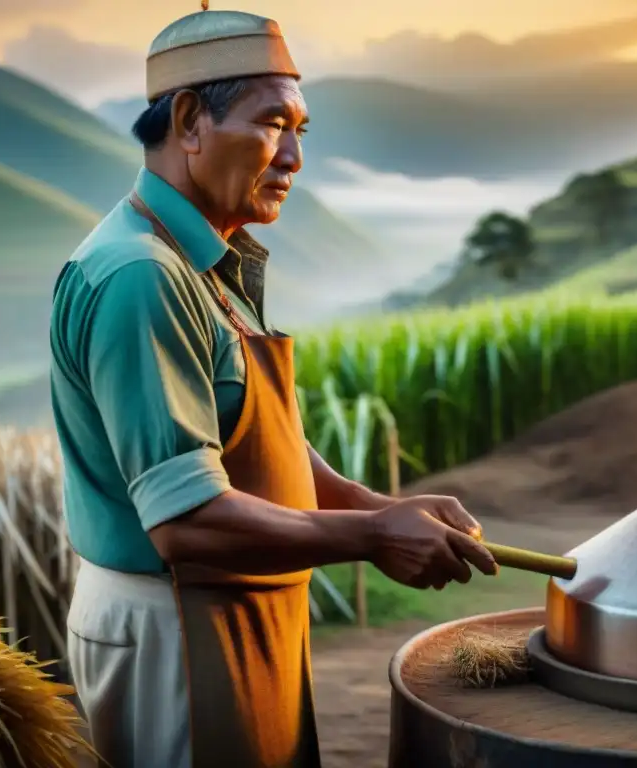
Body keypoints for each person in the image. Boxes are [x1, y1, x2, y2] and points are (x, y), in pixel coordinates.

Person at [48, 9, 498, 768]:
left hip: (235, 609)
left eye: (302, 130)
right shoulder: (142, 278)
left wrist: (383, 506)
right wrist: (373, 537)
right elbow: (185, 520)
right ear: (189, 121)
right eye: (272, 124)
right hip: (177, 626)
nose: (293, 155)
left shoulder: (204, 260)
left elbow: (262, 444)